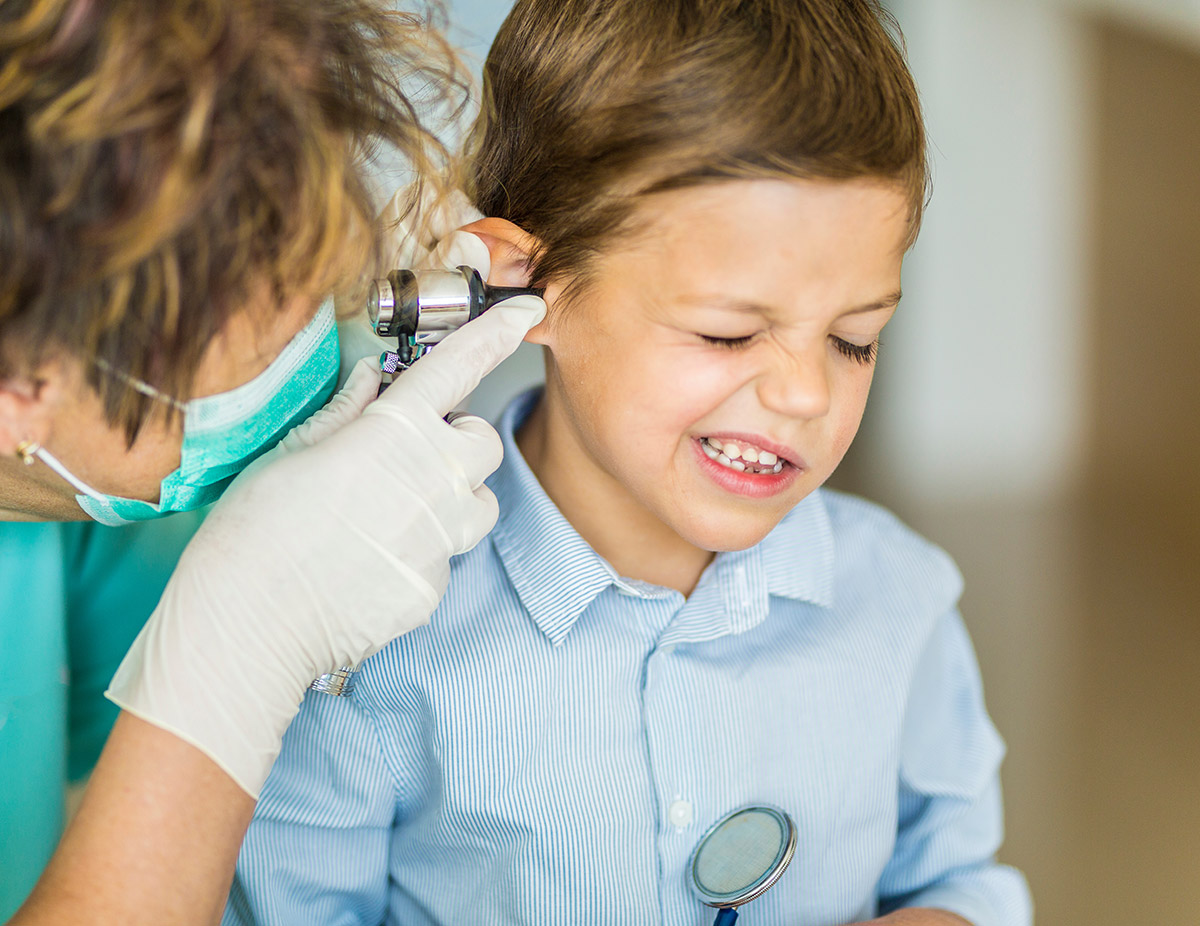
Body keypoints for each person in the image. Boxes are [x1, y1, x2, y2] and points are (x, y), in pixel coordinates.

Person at [224, 0, 1033, 923]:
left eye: (855, 339)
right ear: (532, 287)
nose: (808, 394)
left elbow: (964, 882)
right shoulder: (375, 634)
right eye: (728, 333)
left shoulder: (900, 600)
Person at [0, 0, 543, 921]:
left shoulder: (56, 506)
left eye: (313, 261)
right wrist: (233, 653)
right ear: (22, 376)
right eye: (248, 307)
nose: (308, 339)